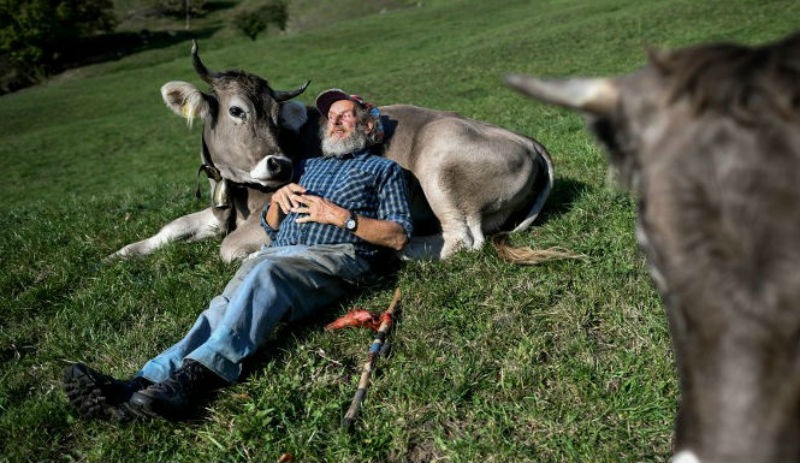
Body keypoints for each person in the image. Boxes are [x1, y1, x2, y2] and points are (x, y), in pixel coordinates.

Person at [63, 89, 413, 421]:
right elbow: (271, 227)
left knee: (266, 273)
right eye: (330, 117)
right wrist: (277, 204)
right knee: (220, 308)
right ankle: (138, 385)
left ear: (369, 127)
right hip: (281, 254)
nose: (333, 123)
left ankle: (197, 379)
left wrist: (341, 217)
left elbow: (397, 236)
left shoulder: (385, 171)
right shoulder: (306, 167)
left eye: (345, 117)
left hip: (337, 257)